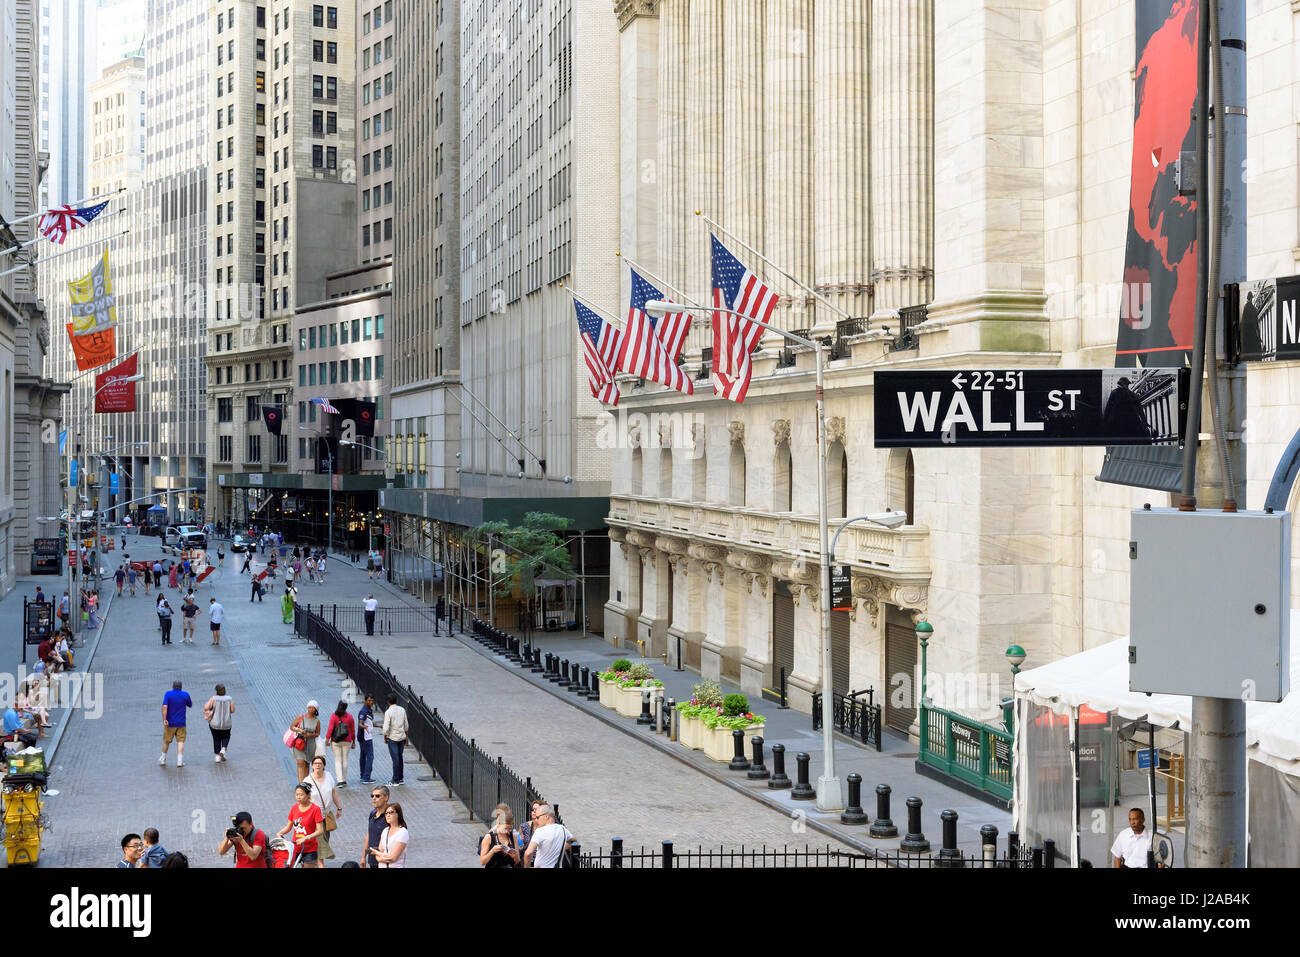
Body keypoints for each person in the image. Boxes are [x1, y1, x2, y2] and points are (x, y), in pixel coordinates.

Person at [303, 753, 342, 861]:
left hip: (326, 814)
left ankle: (314, 860)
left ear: (324, 765)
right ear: (312, 766)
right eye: (315, 763)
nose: (317, 765)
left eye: (320, 763)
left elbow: (333, 792)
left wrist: (339, 807)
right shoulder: (307, 781)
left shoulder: (328, 776)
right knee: (320, 840)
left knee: (325, 838)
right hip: (313, 816)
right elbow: (303, 799)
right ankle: (320, 863)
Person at [278, 783, 325, 869]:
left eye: (301, 795)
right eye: (296, 795)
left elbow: (320, 830)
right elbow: (288, 827)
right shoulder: (294, 808)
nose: (298, 797)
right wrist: (280, 833)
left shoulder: (315, 809)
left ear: (308, 795)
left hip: (310, 849)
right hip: (295, 847)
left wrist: (306, 838)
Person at [523, 803, 573, 868]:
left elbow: (528, 853)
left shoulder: (540, 831)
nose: (536, 820)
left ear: (546, 816)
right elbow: (573, 840)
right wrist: (563, 847)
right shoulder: (562, 829)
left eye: (538, 817)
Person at [160, 679, 192, 767]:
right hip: (181, 722)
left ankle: (163, 759)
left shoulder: (168, 694)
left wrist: (164, 719)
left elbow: (164, 707)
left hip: (170, 722)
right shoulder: (185, 694)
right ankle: (179, 761)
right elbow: (190, 704)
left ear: (172, 686)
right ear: (181, 687)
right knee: (181, 741)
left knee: (166, 741)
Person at [368, 802, 409, 868]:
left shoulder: (402, 832)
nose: (388, 815)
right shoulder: (385, 831)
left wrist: (376, 853)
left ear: (398, 814)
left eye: (391, 812)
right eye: (386, 813)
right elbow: (380, 850)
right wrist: (380, 857)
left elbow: (393, 858)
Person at [325, 700, 356, 787]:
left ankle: (340, 780)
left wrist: (327, 739)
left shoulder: (334, 716)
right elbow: (353, 730)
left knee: (338, 760)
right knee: (345, 760)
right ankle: (345, 779)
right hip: (347, 741)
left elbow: (330, 729)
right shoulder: (349, 717)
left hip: (336, 741)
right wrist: (354, 741)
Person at [290, 701, 322, 782]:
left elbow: (317, 733)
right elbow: (292, 727)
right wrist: (299, 730)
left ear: (316, 710)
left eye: (313, 708)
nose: (310, 709)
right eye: (309, 707)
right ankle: (301, 784)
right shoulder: (301, 717)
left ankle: (305, 782)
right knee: (300, 763)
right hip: (299, 743)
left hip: (310, 744)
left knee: (307, 764)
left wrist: (309, 735)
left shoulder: (316, 721)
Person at [203, 683, 235, 762]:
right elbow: (233, 710)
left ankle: (217, 756)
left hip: (215, 723)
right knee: (226, 736)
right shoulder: (229, 699)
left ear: (216, 691)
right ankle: (223, 749)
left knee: (216, 738)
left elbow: (206, 707)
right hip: (226, 723)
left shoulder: (213, 698)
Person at [382, 692, 408, 786]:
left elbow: (385, 728)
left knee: (395, 759)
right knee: (400, 757)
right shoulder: (402, 710)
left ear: (388, 701)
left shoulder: (388, 712)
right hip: (401, 737)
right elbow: (406, 725)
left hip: (393, 738)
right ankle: (401, 778)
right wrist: (406, 737)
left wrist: (385, 737)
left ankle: (395, 780)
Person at [361, 785, 389, 867]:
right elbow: (369, 835)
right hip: (372, 859)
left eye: (377, 796)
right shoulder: (372, 813)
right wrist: (363, 857)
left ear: (386, 797)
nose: (374, 798)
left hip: (384, 861)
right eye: (372, 796)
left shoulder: (389, 816)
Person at [357, 693, 377, 784]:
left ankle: (362, 775)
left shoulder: (369, 710)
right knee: (370, 756)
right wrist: (365, 727)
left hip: (365, 736)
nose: (371, 702)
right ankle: (366, 777)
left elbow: (370, 723)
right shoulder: (363, 711)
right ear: (365, 701)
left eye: (372, 700)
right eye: (369, 700)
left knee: (363, 756)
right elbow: (360, 724)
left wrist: (379, 726)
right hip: (365, 737)